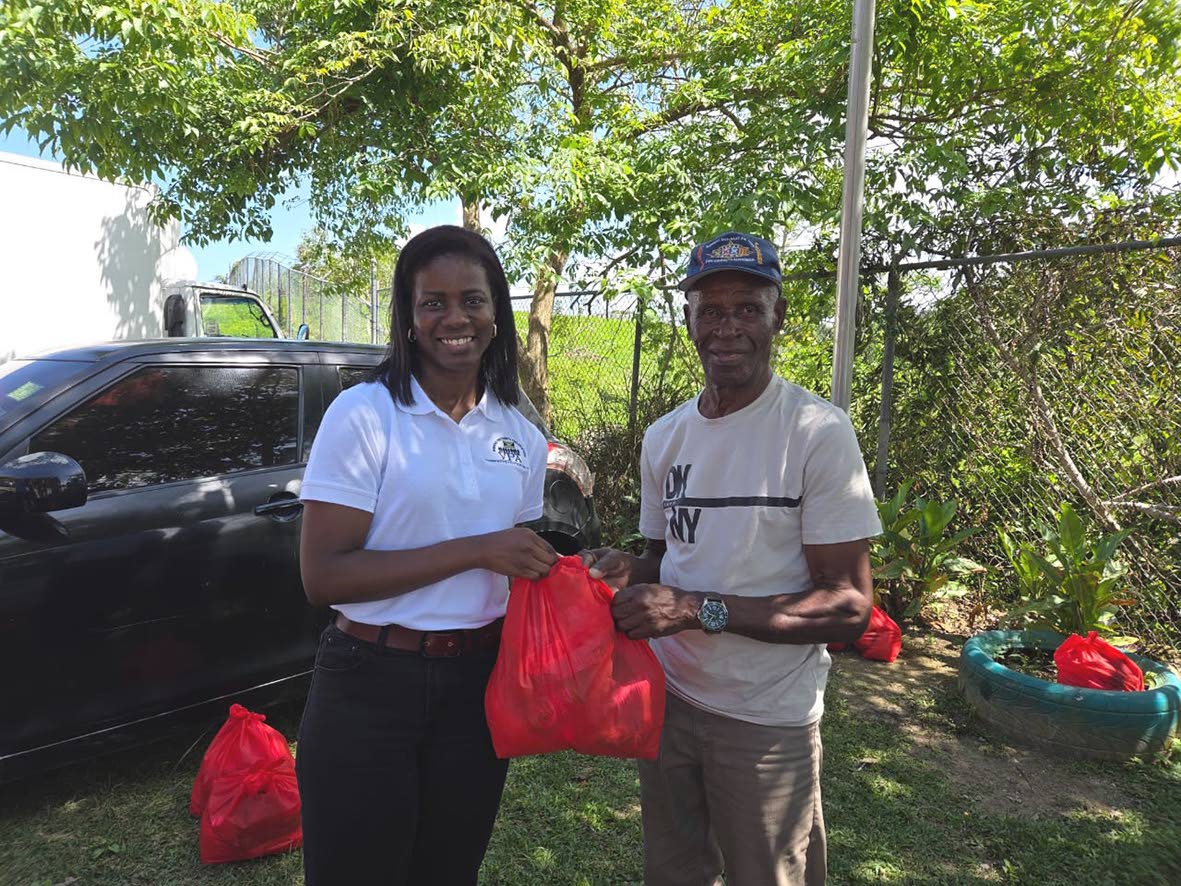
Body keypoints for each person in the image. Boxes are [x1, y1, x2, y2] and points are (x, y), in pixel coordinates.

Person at [583, 232, 881, 886]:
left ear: (778, 316)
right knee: (674, 872)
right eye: (710, 310)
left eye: (747, 308)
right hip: (668, 700)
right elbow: (663, 556)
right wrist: (625, 571)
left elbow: (848, 608)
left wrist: (692, 610)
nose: (727, 327)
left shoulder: (816, 432)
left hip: (765, 716)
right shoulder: (665, 437)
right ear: (686, 320)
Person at [295, 225, 558, 885]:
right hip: (369, 681)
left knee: (448, 872)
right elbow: (322, 576)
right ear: (408, 319)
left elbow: (518, 563)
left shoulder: (520, 437)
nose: (454, 318)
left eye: (471, 299)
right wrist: (477, 550)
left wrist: (582, 574)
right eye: (432, 302)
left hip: (476, 688)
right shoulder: (365, 415)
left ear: (495, 312)